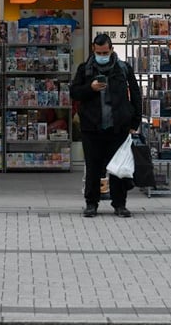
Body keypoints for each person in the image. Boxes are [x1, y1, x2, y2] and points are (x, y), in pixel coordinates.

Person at [70, 33, 141, 218]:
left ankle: (120, 205)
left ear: (111, 50)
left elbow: (135, 94)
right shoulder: (85, 69)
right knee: (93, 167)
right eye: (99, 51)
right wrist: (90, 88)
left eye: (105, 52)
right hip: (91, 127)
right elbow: (74, 92)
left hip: (118, 127)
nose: (103, 55)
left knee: (118, 168)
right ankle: (91, 204)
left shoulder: (123, 68)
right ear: (93, 49)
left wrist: (135, 121)